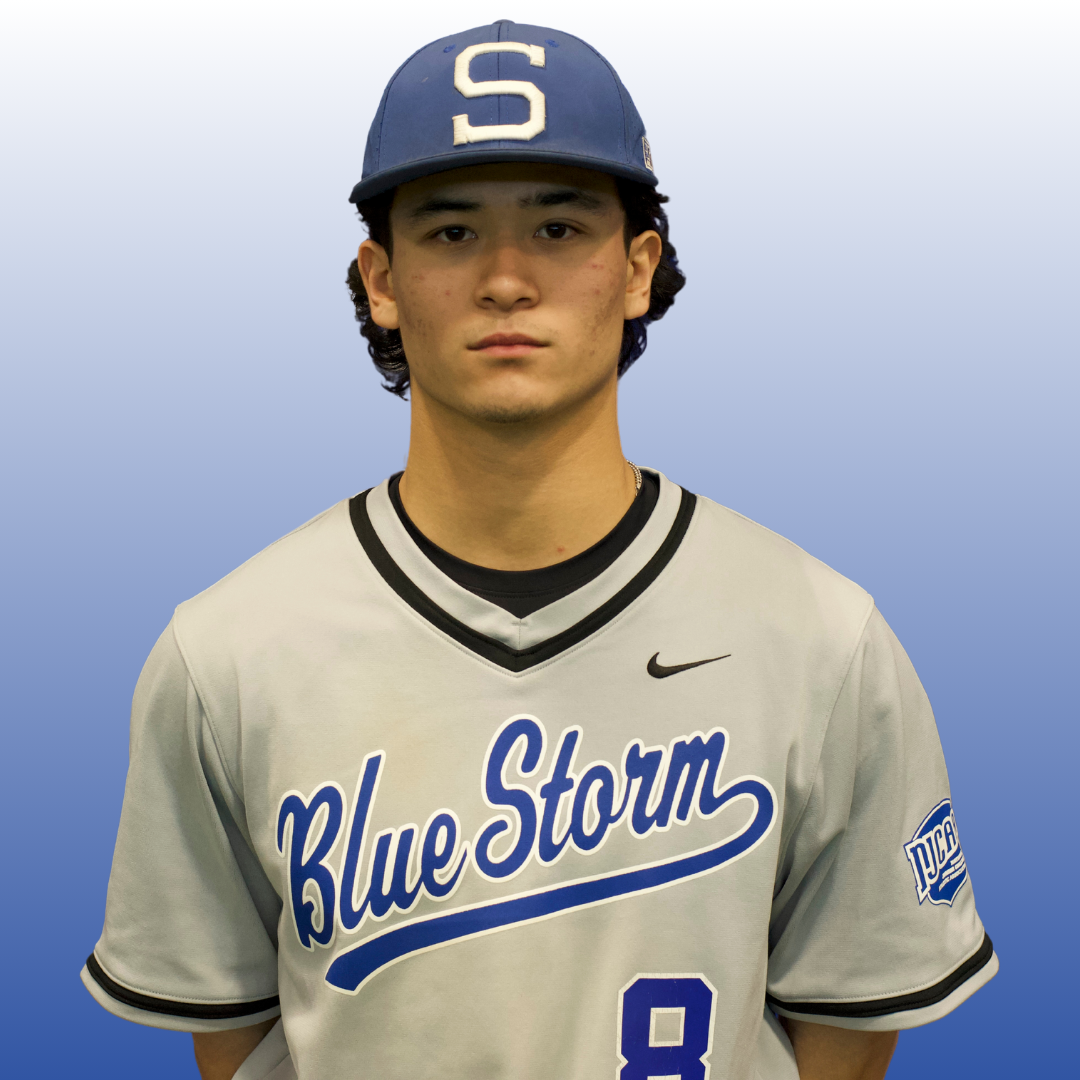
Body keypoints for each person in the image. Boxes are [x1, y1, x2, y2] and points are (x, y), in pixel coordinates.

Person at [81, 19, 997, 1080]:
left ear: (639, 267)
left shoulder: (821, 637)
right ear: (380, 279)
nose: (507, 279)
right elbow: (232, 1031)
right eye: (451, 231)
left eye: (560, 228)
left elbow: (853, 1014)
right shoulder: (228, 651)